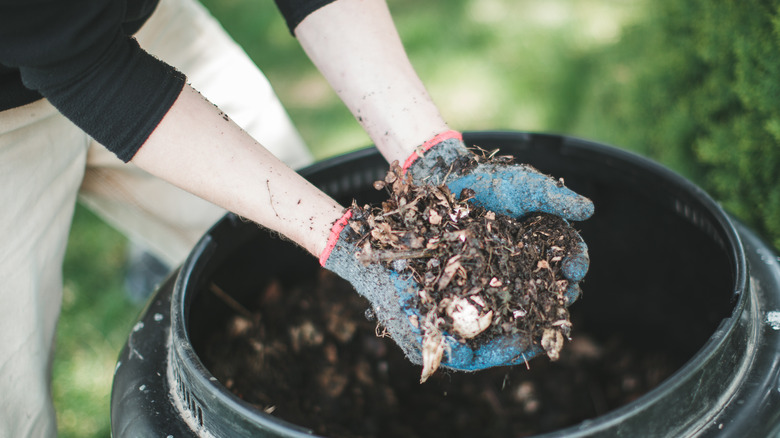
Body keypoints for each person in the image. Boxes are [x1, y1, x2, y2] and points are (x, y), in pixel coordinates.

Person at [0, 0, 592, 435]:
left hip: (126, 25)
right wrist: (347, 240)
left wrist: (426, 153)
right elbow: (82, 68)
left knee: (296, 281)